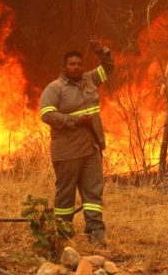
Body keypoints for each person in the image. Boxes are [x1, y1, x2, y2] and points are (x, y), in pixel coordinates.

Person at [39, 40, 114, 243]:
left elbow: (108, 68)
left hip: (91, 148)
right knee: (66, 195)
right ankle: (63, 234)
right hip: (67, 151)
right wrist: (73, 120)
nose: (76, 67)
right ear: (64, 67)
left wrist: (103, 52)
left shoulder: (90, 79)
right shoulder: (54, 89)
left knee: (94, 193)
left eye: (79, 64)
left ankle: (95, 233)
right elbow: (46, 114)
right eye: (72, 64)